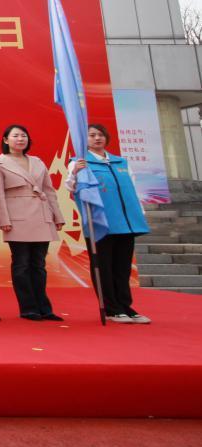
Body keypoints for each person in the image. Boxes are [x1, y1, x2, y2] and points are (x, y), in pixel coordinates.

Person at [67, 123, 152, 324]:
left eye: (100, 134)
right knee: (103, 267)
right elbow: (71, 187)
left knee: (122, 268)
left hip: (126, 222)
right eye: (92, 135)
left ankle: (126, 306)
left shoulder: (120, 162)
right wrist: (76, 173)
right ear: (84, 140)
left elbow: (133, 189)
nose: (97, 138)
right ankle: (111, 308)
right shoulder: (79, 163)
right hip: (100, 223)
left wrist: (139, 213)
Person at [0, 124, 65, 321]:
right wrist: (3, 219)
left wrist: (57, 216)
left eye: (23, 135)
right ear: (6, 140)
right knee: (22, 264)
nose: (20, 139)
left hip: (41, 215)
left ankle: (45, 308)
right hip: (17, 218)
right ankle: (28, 307)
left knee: (39, 264)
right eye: (15, 136)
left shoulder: (37, 162)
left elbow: (49, 190)